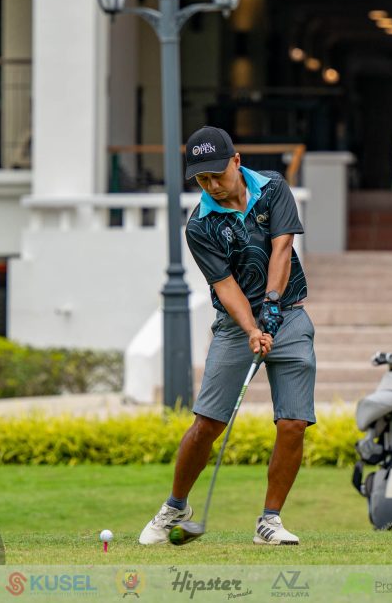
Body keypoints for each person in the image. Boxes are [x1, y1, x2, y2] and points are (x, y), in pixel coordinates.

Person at [138, 126, 315, 546]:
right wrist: (252, 328)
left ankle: (270, 521)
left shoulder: (273, 188)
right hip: (236, 328)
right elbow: (224, 286)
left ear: (236, 161)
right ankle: (175, 506)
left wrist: (272, 305)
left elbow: (282, 247)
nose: (212, 185)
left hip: (288, 315)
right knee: (207, 424)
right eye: (202, 179)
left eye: (217, 174)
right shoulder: (199, 226)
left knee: (293, 423)